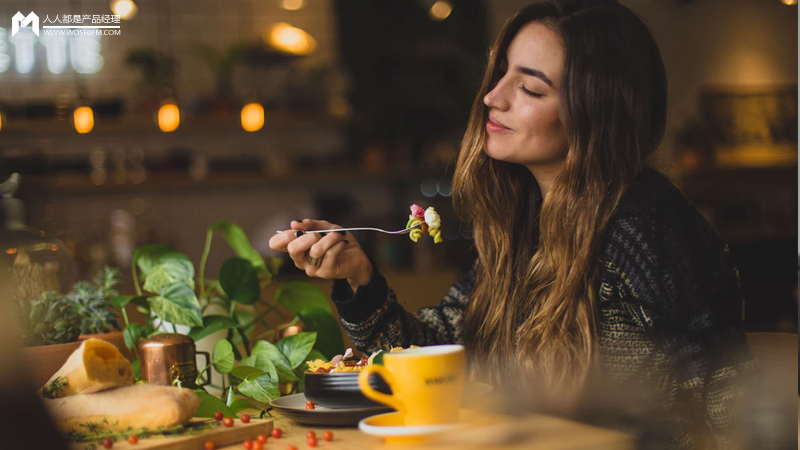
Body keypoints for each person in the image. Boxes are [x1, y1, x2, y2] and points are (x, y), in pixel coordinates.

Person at [269, 0, 756, 448]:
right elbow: (434, 358)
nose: (491, 97)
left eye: (529, 87)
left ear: (596, 113)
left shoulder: (644, 227)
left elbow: (726, 407)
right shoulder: (524, 227)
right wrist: (360, 278)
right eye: (500, 74)